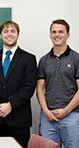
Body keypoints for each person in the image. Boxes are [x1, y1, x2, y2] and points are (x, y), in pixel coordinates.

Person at [0, 21, 37, 148]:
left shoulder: (29, 58)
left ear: (18, 35)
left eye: (13, 31)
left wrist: (10, 105)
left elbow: (29, 87)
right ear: (0, 35)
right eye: (5, 31)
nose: (9, 34)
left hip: (19, 120)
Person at [37, 19, 79, 148]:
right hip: (47, 117)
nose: (57, 35)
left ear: (68, 35)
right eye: (54, 32)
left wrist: (66, 111)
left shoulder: (76, 58)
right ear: (50, 35)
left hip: (72, 115)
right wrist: (46, 111)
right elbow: (39, 89)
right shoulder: (44, 60)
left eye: (61, 32)